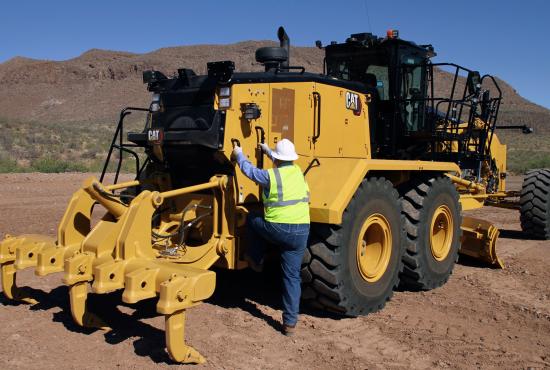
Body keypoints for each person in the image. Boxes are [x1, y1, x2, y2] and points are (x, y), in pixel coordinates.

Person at [232, 139, 310, 336]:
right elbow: (281, 166)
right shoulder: (299, 172)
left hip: (278, 229)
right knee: (292, 277)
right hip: (301, 231)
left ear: (276, 158)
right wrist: (268, 151)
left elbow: (249, 172)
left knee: (252, 218)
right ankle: (290, 324)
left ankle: (256, 259)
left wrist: (239, 154)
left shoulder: (270, 176)